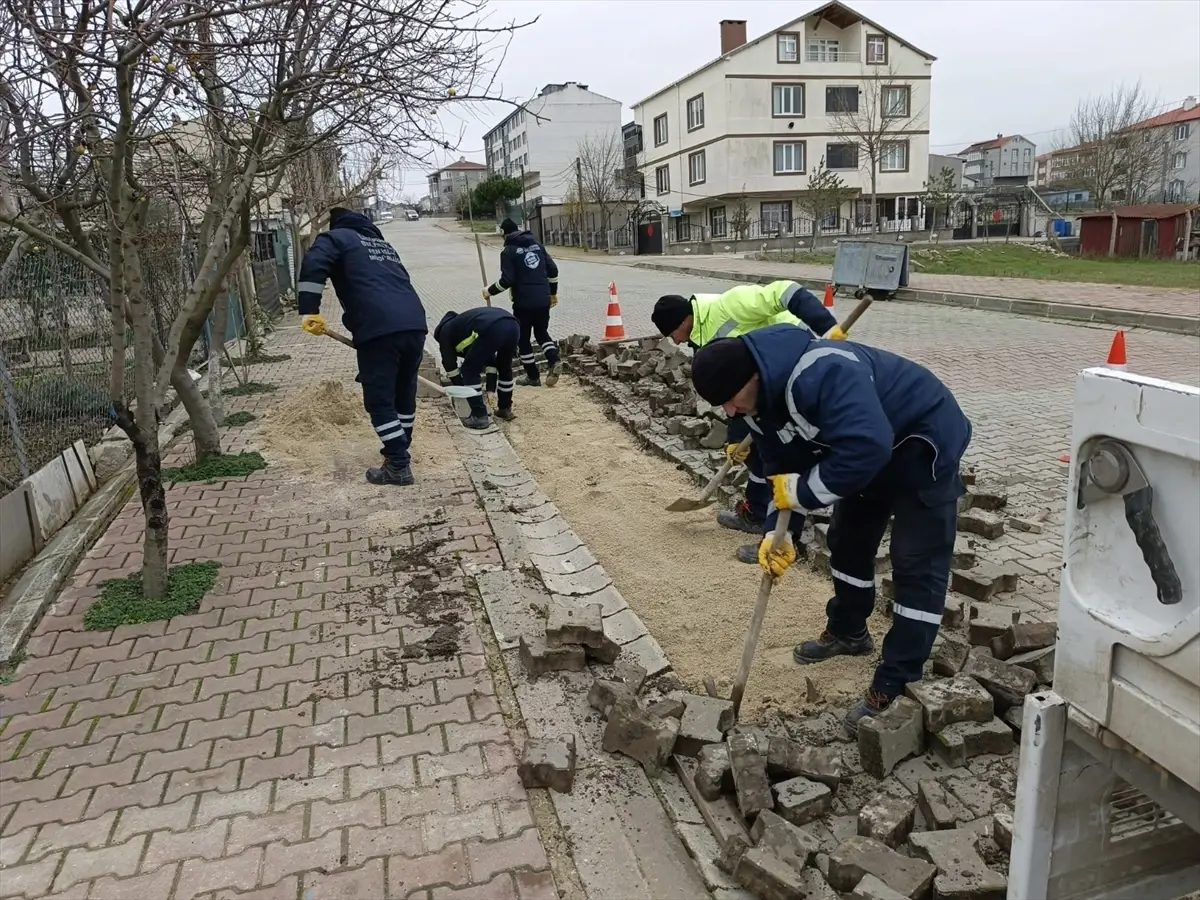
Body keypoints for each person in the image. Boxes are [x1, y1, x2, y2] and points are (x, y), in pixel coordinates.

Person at [689, 325, 972, 732]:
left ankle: (898, 679)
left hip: (921, 443)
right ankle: (848, 631)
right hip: (864, 452)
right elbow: (780, 468)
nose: (729, 412)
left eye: (731, 400)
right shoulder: (759, 403)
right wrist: (777, 533)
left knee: (915, 563)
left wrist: (803, 490)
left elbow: (867, 447)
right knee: (848, 541)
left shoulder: (821, 372)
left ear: (752, 378)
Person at [651, 282, 845, 565]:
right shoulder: (701, 336)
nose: (675, 342)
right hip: (760, 389)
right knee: (756, 454)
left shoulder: (730, 304)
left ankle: (782, 537)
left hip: (791, 370)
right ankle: (756, 513)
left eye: (672, 334)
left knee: (785, 457)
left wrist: (827, 328)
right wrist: (735, 435)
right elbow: (733, 391)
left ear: (685, 321)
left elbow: (785, 292)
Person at [297, 206, 427, 487]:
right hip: (415, 324)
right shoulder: (383, 246)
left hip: (378, 328)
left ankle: (399, 465)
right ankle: (398, 455)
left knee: (379, 401)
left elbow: (313, 263)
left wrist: (309, 310)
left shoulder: (336, 239)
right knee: (403, 395)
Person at [483, 218, 561, 388]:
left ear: (504, 234)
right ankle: (554, 360)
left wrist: (489, 291)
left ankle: (533, 377)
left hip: (523, 303)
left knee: (523, 339)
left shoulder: (508, 251)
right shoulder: (537, 245)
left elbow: (507, 280)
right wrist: (553, 293)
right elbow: (553, 270)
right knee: (541, 333)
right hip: (543, 300)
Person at [434, 307, 521, 429]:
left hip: (493, 327)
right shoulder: (464, 328)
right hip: (513, 325)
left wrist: (462, 389)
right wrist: (491, 388)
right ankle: (505, 408)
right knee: (504, 366)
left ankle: (479, 416)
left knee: (469, 370)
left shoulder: (445, 333)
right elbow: (491, 361)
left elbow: (450, 367)